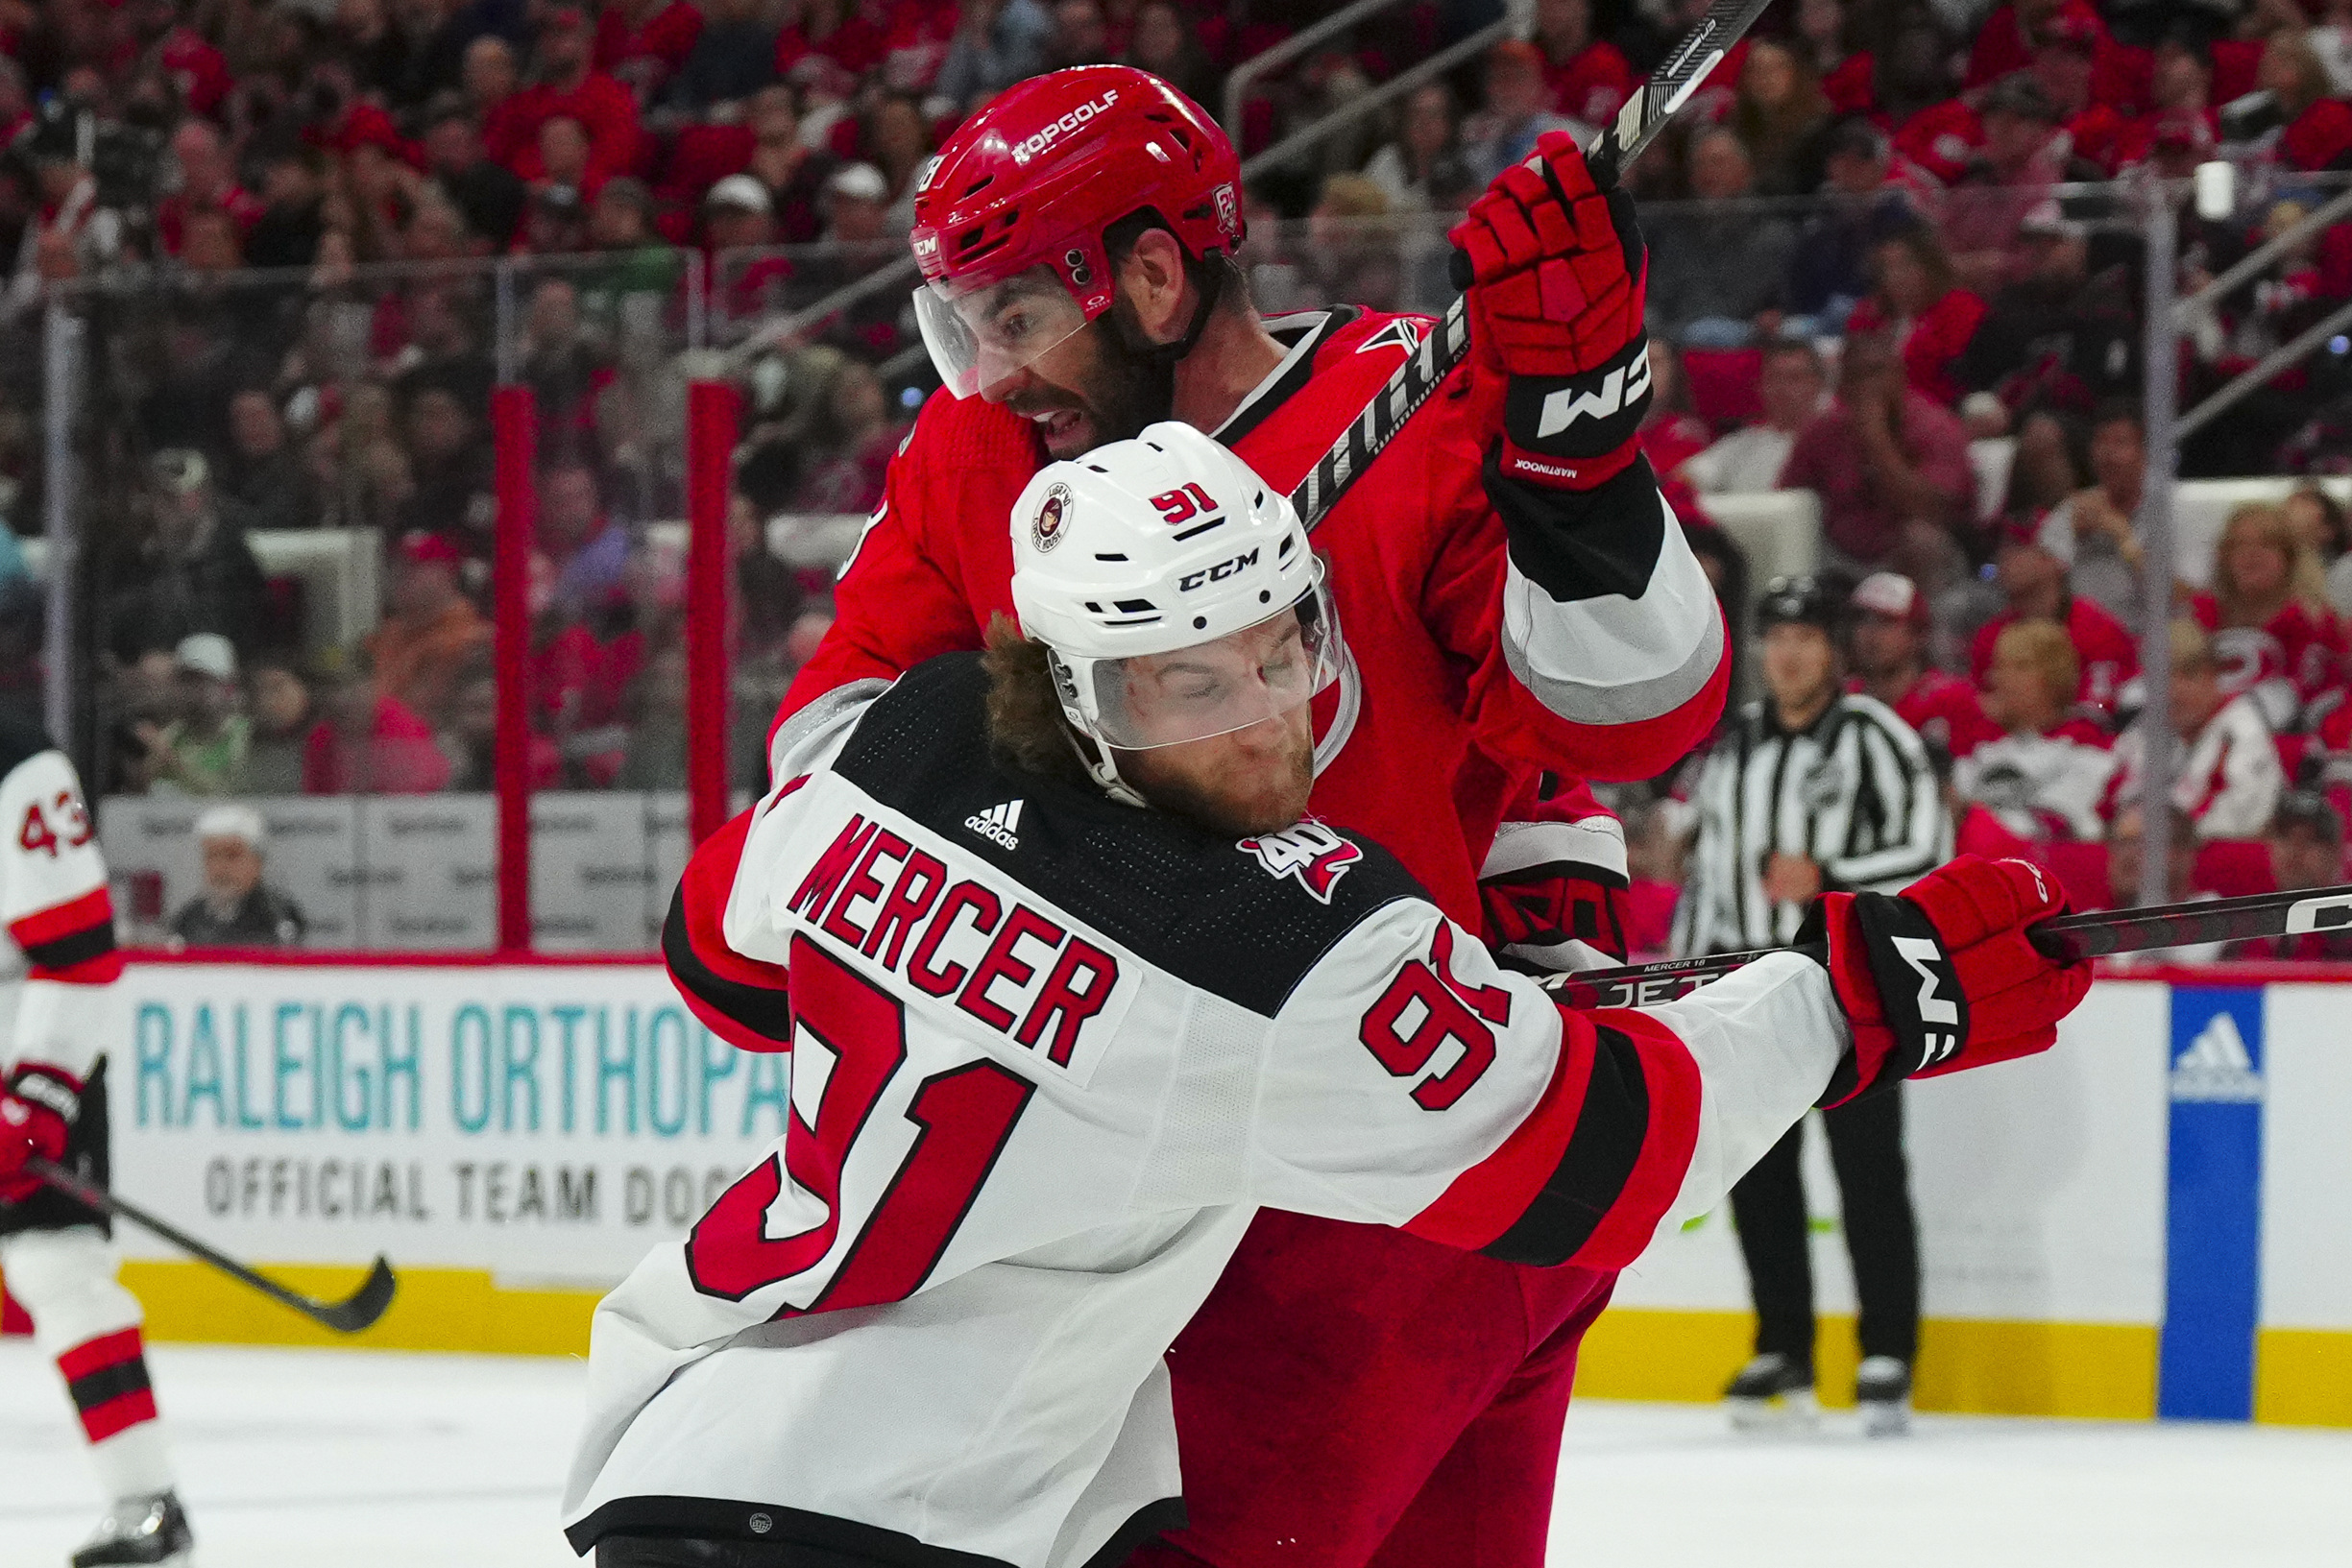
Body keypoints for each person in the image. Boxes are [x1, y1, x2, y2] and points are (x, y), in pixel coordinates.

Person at [568, 427, 2090, 1565]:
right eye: (1187, 682)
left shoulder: (901, 741)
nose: (1264, 721)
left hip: (677, 1456)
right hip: (911, 1529)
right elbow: (1598, 1158)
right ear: (1082, 688)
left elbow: (716, 954)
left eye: (1283, 639)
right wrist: (1854, 1002)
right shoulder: (1272, 942)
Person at [755, 71, 1728, 1568]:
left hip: (1380, 1188)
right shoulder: (984, 462)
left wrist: (1582, 446)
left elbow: (1629, 711)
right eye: (967, 325)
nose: (989, 371)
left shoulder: (1421, 409)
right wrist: (1035, 790)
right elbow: (830, 751)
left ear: (1151, 277)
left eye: (1014, 317)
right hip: (1165, 1201)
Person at [1670, 574, 1945, 1437]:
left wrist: (1830, 881)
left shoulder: (1875, 736)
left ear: (1832, 649)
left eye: (1804, 638)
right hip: (1749, 990)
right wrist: (1690, 974)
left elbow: (1929, 849)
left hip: (1851, 990)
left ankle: (1885, 1349)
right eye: (1774, 638)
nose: (1786, 654)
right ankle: (1782, 1343)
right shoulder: (1734, 742)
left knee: (1867, 1173)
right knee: (1758, 1170)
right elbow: (1710, 867)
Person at [0, 720, 195, 1564]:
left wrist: (35, 1093)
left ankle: (146, 1502)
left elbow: (80, 954)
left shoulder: (17, 763)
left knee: (60, 1270)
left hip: (30, 1055)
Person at [1779, 327, 1976, 575]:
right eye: (1857, 376)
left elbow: (1933, 512)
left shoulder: (1935, 426)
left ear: (1899, 377)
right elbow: (1784, 501)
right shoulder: (1822, 432)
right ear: (1842, 386)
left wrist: (1877, 440)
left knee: (1921, 540)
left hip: (1916, 558)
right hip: (1839, 558)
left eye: (1877, 372)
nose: (1868, 385)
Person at [2107, 619, 2286, 842]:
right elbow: (2107, 800)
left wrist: (2157, 831)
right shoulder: (2143, 732)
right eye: (2162, 677)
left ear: (2214, 677)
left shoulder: (2244, 732)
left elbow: (2241, 821)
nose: (2174, 690)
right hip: (2150, 861)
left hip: (2216, 866)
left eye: (2189, 676)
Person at [2189, 501, 2349, 735]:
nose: (2252, 555)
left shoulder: (2314, 623)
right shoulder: (2200, 617)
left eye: (2266, 545)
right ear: (2224, 557)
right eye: (2240, 545)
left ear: (2288, 557)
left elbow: (2318, 704)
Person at [1954, 620, 2116, 842]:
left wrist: (1973, 820)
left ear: (2047, 678)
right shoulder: (1981, 747)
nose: (1995, 678)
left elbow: (2053, 828)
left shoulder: (2087, 746)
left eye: (2008, 667)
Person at [1971, 521, 2140, 719]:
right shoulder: (1990, 636)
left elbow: (2100, 710)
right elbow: (1979, 710)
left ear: (2054, 559)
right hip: (2009, 745)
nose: (2005, 557)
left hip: (2084, 745)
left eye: (2019, 548)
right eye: (2003, 548)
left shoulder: (2097, 628)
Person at [1845, 570, 1997, 759]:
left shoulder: (1954, 700)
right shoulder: (1842, 699)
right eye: (1861, 620)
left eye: (1886, 622)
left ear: (1919, 635)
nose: (1871, 633)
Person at [366, 532, 493, 731]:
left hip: (420, 746)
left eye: (415, 566)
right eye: (397, 565)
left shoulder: (469, 640)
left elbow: (420, 709)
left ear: (446, 574)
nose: (401, 573)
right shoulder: (388, 632)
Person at [1678, 337, 1828, 496]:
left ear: (1817, 384)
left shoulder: (1831, 443)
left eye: (1794, 378)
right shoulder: (1744, 442)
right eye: (1775, 378)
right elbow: (1687, 477)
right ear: (1761, 385)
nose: (1783, 387)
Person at [2229, 791, 2352, 958]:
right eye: (2285, 837)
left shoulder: (2345, 934)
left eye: (2310, 840)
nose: (2295, 850)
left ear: (2334, 854)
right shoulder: (2247, 927)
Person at [167, 804, 305, 948]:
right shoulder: (189, 917)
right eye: (211, 856)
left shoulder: (279, 915)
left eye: (231, 856)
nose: (219, 867)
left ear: (257, 862)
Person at [139, 634, 251, 797]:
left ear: (228, 686)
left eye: (203, 681)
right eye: (186, 681)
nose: (192, 690)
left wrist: (170, 757)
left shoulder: (244, 734)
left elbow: (219, 792)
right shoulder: (173, 734)